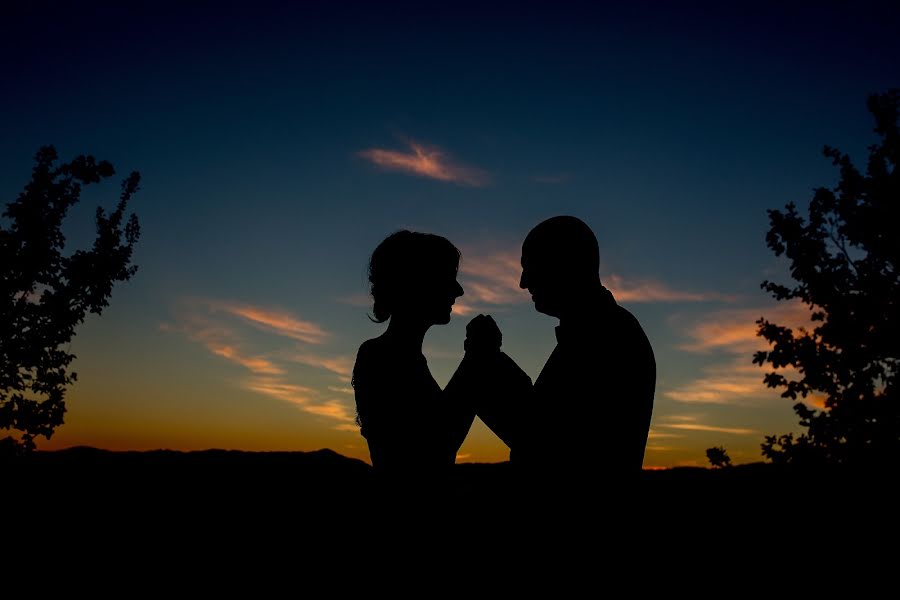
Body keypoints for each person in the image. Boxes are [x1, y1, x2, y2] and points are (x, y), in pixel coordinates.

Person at [466, 216, 656, 495]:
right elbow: (543, 417)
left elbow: (544, 444)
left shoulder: (605, 337)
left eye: (530, 266)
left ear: (564, 264)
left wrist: (484, 369)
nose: (522, 282)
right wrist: (492, 362)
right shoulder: (597, 331)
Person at [351, 231, 476, 492]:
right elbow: (433, 451)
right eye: (448, 279)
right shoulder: (379, 357)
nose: (458, 290)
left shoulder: (399, 357)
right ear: (418, 283)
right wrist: (475, 364)